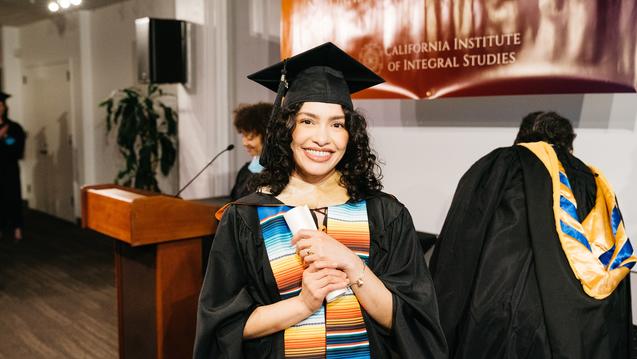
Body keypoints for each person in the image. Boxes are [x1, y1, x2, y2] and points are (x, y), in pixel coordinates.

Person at [193, 42, 447, 358]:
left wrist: (354, 266)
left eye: (337, 124)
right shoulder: (246, 217)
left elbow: (410, 320)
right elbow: (224, 325)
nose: (323, 138)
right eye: (308, 121)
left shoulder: (385, 214)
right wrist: (304, 303)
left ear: (351, 134)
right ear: (287, 129)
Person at [430, 111, 634, 358]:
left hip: (493, 322)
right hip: (570, 332)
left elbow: (458, 248)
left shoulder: (499, 164)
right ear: (568, 146)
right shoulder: (594, 182)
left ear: (520, 138)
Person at [230, 102, 273, 200]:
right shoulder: (245, 171)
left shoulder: (280, 174)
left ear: (268, 136)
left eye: (250, 137)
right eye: (243, 135)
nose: (244, 143)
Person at [0, 91, 26, 242]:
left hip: (9, 169)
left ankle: (17, 228)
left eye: (1, 105)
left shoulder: (14, 127)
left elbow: (18, 150)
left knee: (13, 197)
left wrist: (5, 138)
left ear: (5, 107)